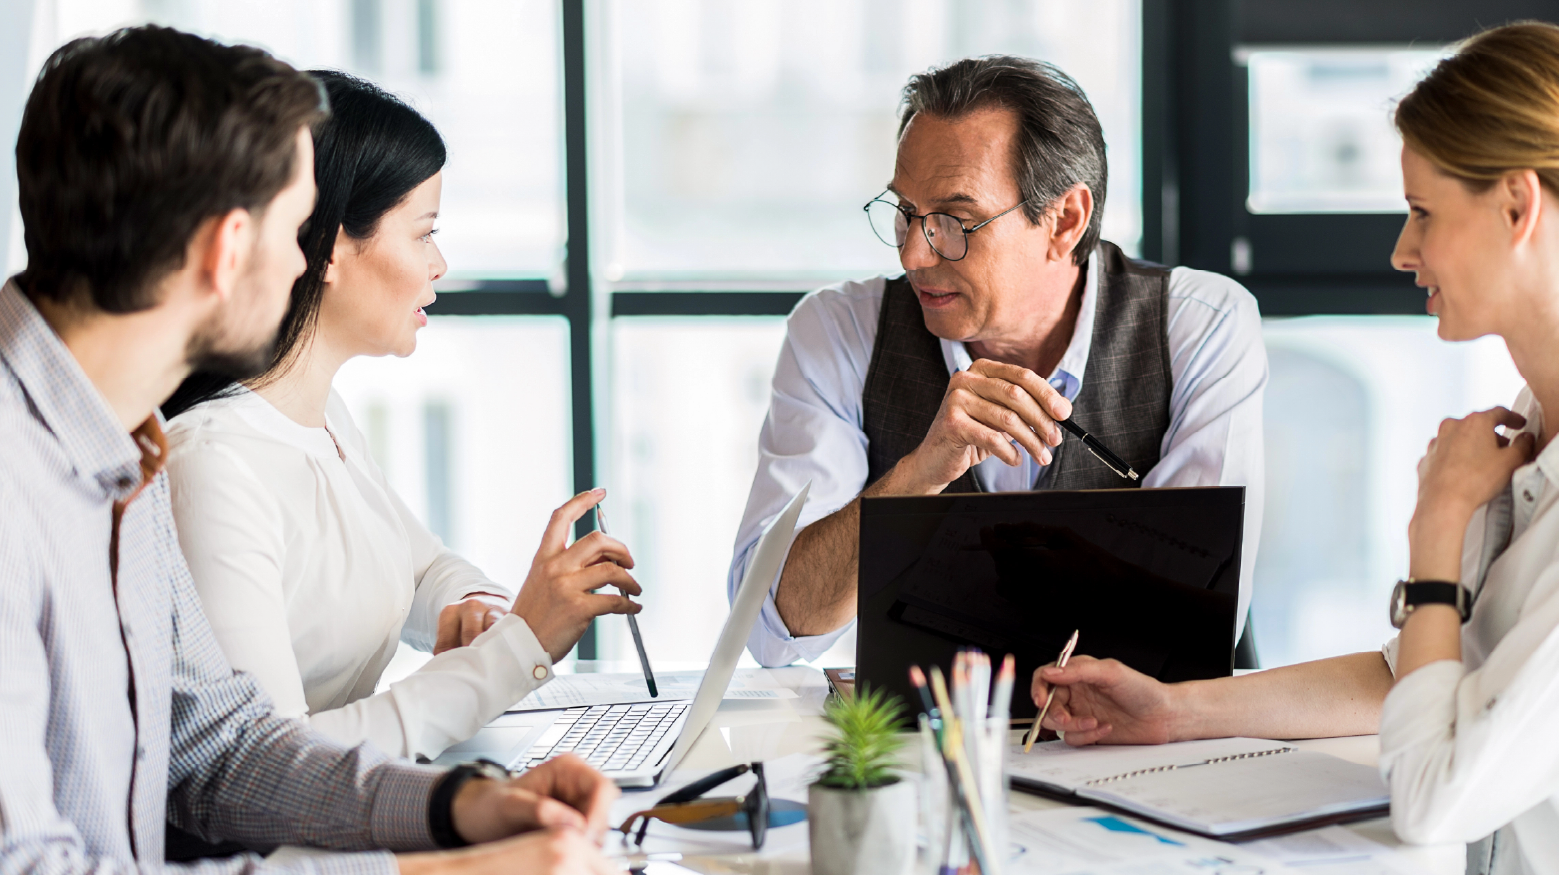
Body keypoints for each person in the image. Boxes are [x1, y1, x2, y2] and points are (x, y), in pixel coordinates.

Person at [0, 26, 620, 874]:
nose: (306, 262)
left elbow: (220, 751)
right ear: (225, 252)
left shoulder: (121, 449)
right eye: (297, 232)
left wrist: (459, 806)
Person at [1029, 22, 1559, 873]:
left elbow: (1431, 797)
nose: (1400, 249)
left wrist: (1436, 538)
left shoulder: (1480, 478)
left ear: (1515, 206)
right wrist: (1171, 710)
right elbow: (1413, 676)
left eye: (1422, 212)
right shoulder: (1527, 430)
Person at [158, 72, 640, 764]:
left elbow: (417, 569)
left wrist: (478, 604)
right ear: (325, 248)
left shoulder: (321, 417)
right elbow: (273, 769)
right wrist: (517, 647)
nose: (439, 264)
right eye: (423, 234)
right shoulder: (212, 466)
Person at [729, 55, 1268, 667]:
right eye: (905, 213)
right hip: (924, 745)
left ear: (1065, 220)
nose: (912, 254)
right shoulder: (838, 331)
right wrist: (917, 477)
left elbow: (1190, 622)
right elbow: (777, 627)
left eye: (955, 221)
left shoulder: (1202, 325)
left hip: (1145, 746)